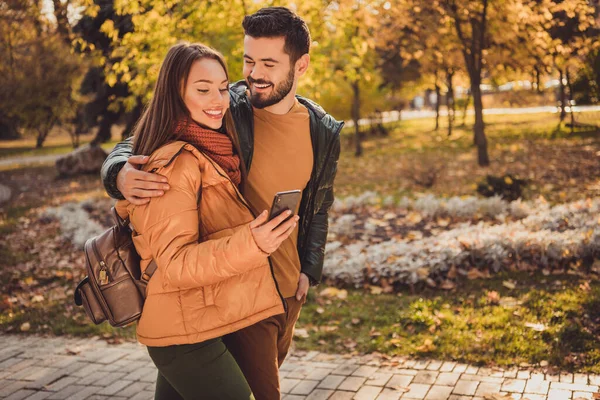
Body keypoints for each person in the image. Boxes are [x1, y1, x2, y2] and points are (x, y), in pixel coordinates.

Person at [102, 7, 343, 399]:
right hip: (231, 288)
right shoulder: (227, 107)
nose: (254, 74)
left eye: (269, 63)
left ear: (301, 66)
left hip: (283, 292)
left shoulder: (321, 129)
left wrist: (309, 270)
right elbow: (145, 139)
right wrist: (119, 173)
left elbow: (319, 205)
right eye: (248, 61)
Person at [113, 42, 298, 400]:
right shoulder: (173, 164)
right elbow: (177, 263)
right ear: (175, 93)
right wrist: (253, 243)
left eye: (222, 88)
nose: (218, 100)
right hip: (184, 335)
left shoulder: (213, 148)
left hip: (199, 321)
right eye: (202, 89)